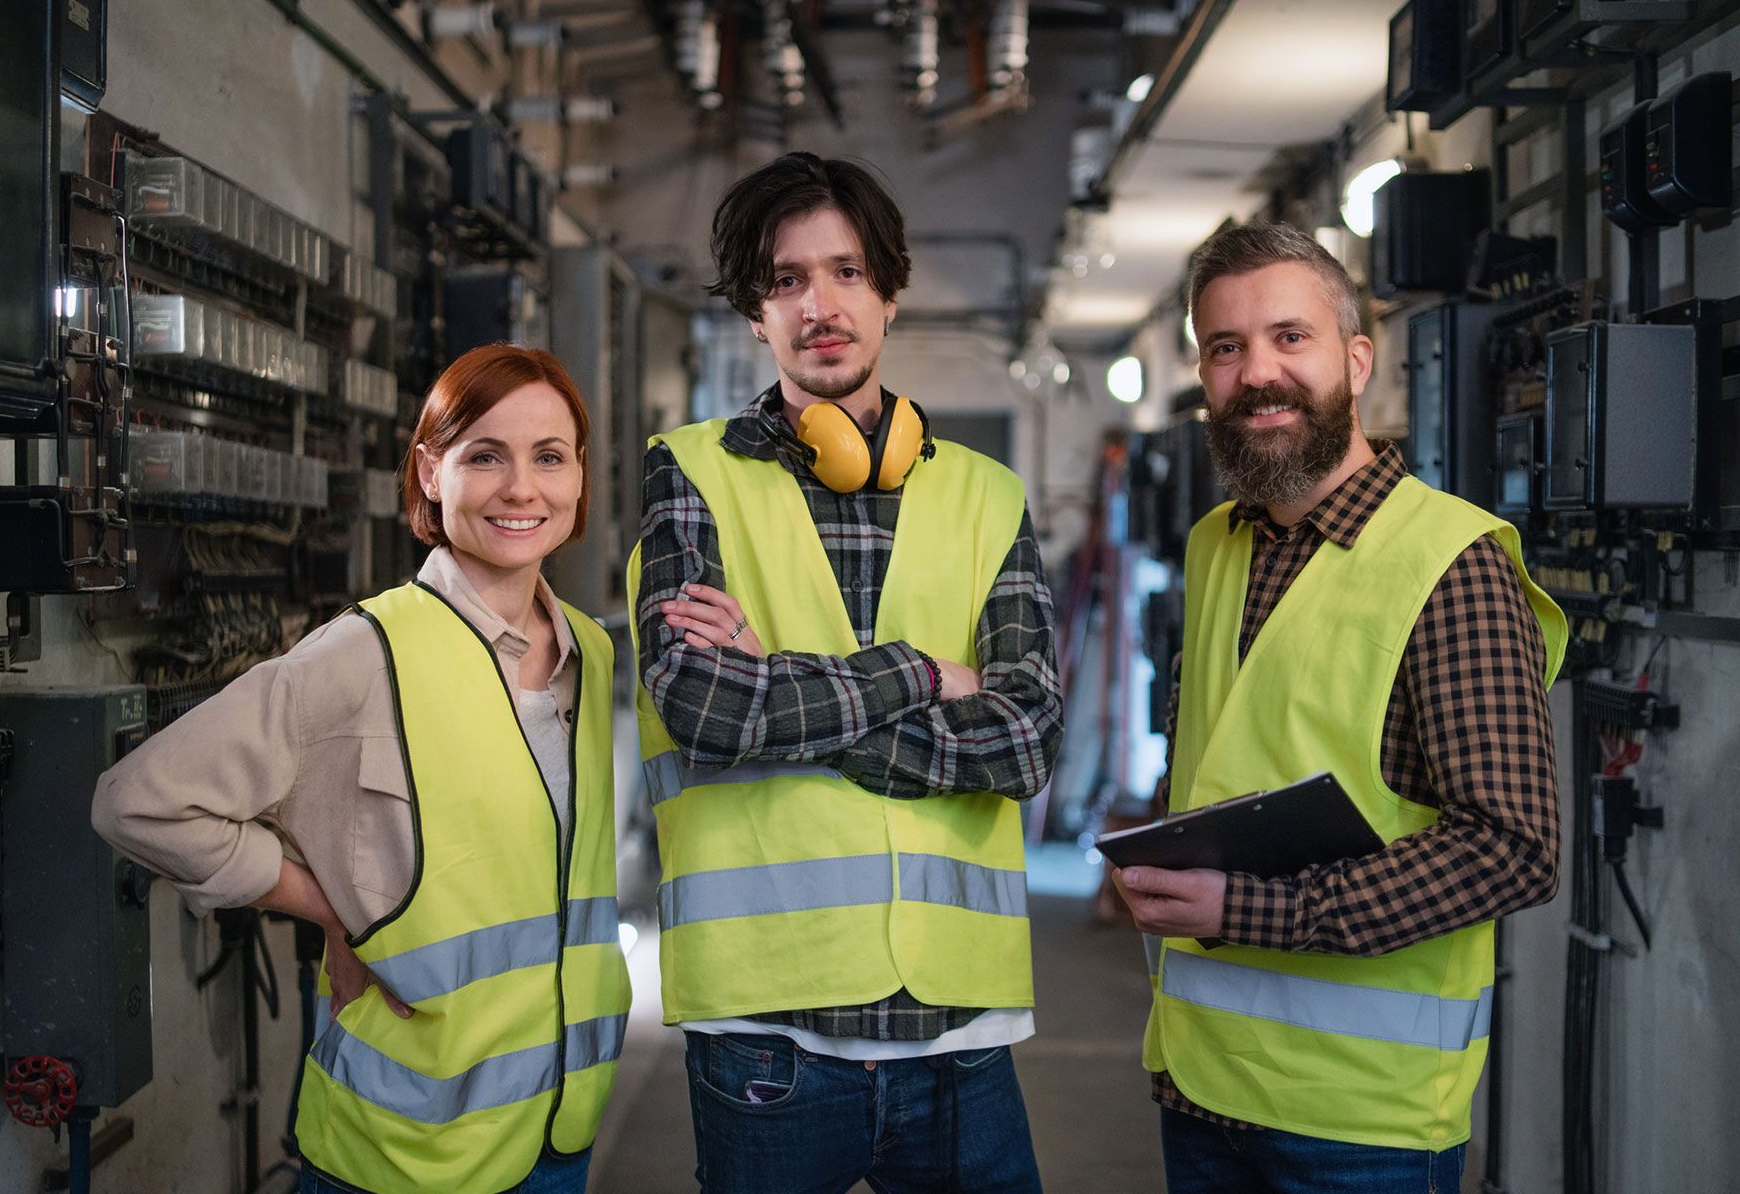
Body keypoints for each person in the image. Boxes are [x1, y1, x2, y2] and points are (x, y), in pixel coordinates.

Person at [92, 345, 632, 1194]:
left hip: (556, 1133)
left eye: (549, 457)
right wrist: (330, 911)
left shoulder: (591, 656)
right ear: (428, 472)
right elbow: (139, 803)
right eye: (483, 455)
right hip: (401, 1154)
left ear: (579, 476)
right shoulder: (366, 653)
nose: (522, 488)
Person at [624, 152, 1062, 1194]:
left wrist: (780, 695)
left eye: (847, 272)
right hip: (765, 1036)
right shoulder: (688, 470)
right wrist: (918, 670)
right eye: (787, 280)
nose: (820, 304)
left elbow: (1029, 737)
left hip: (960, 1029)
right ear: (755, 310)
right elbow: (701, 705)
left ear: (891, 291)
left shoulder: (989, 497)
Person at [1109, 221, 1566, 1194]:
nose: (1257, 372)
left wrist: (1253, 908)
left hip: (1362, 1128)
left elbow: (1513, 846)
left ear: (1357, 361)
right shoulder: (1215, 545)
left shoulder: (1452, 562)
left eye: (1290, 338)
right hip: (1199, 1089)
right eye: (1226, 347)